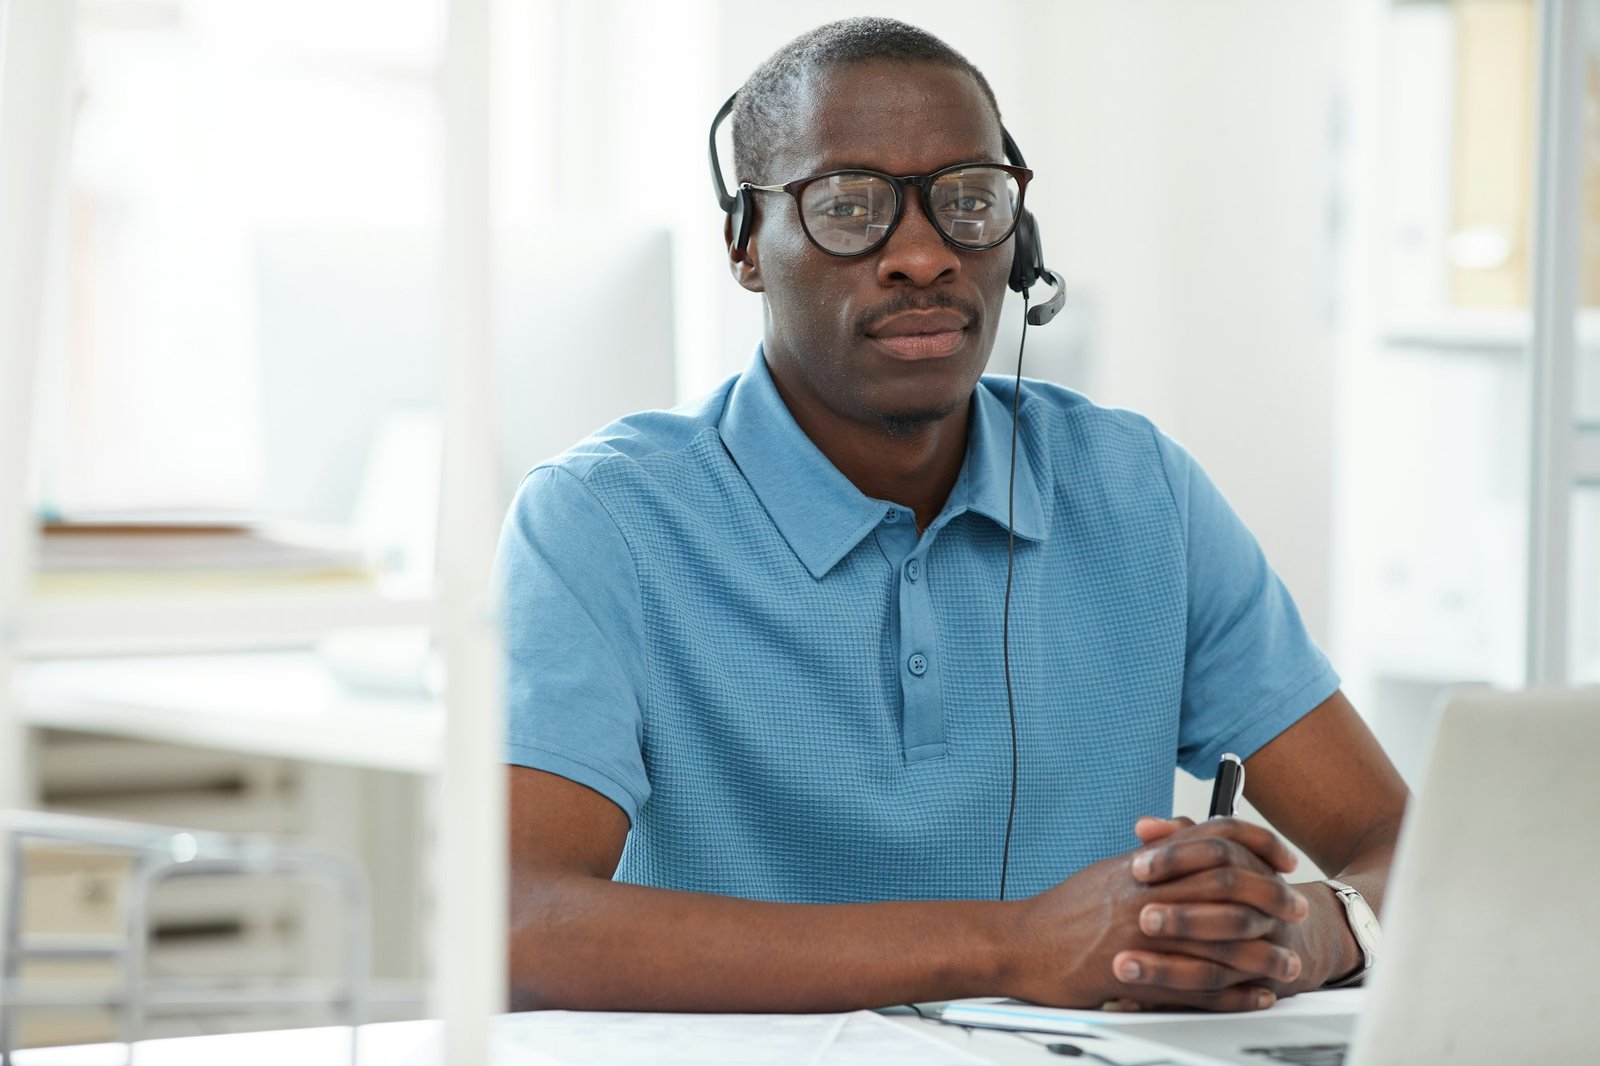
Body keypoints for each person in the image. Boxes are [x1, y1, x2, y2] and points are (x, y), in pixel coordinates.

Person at [497, 17, 1409, 1015]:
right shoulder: (600, 520)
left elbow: (1404, 844)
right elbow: (520, 922)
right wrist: (1008, 947)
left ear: (1020, 242)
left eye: (969, 200)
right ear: (746, 244)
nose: (924, 256)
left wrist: (1307, 931)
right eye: (848, 207)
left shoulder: (1140, 492)